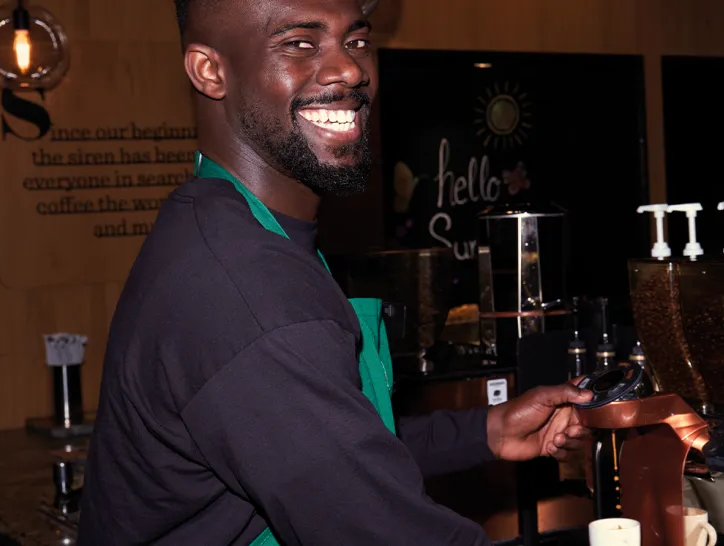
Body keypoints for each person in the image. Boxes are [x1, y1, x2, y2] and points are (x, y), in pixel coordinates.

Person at [76, 0, 594, 544]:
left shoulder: (220, 220)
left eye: (357, 40)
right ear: (211, 71)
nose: (351, 70)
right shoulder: (252, 297)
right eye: (299, 43)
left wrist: (486, 429)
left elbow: (323, 449)